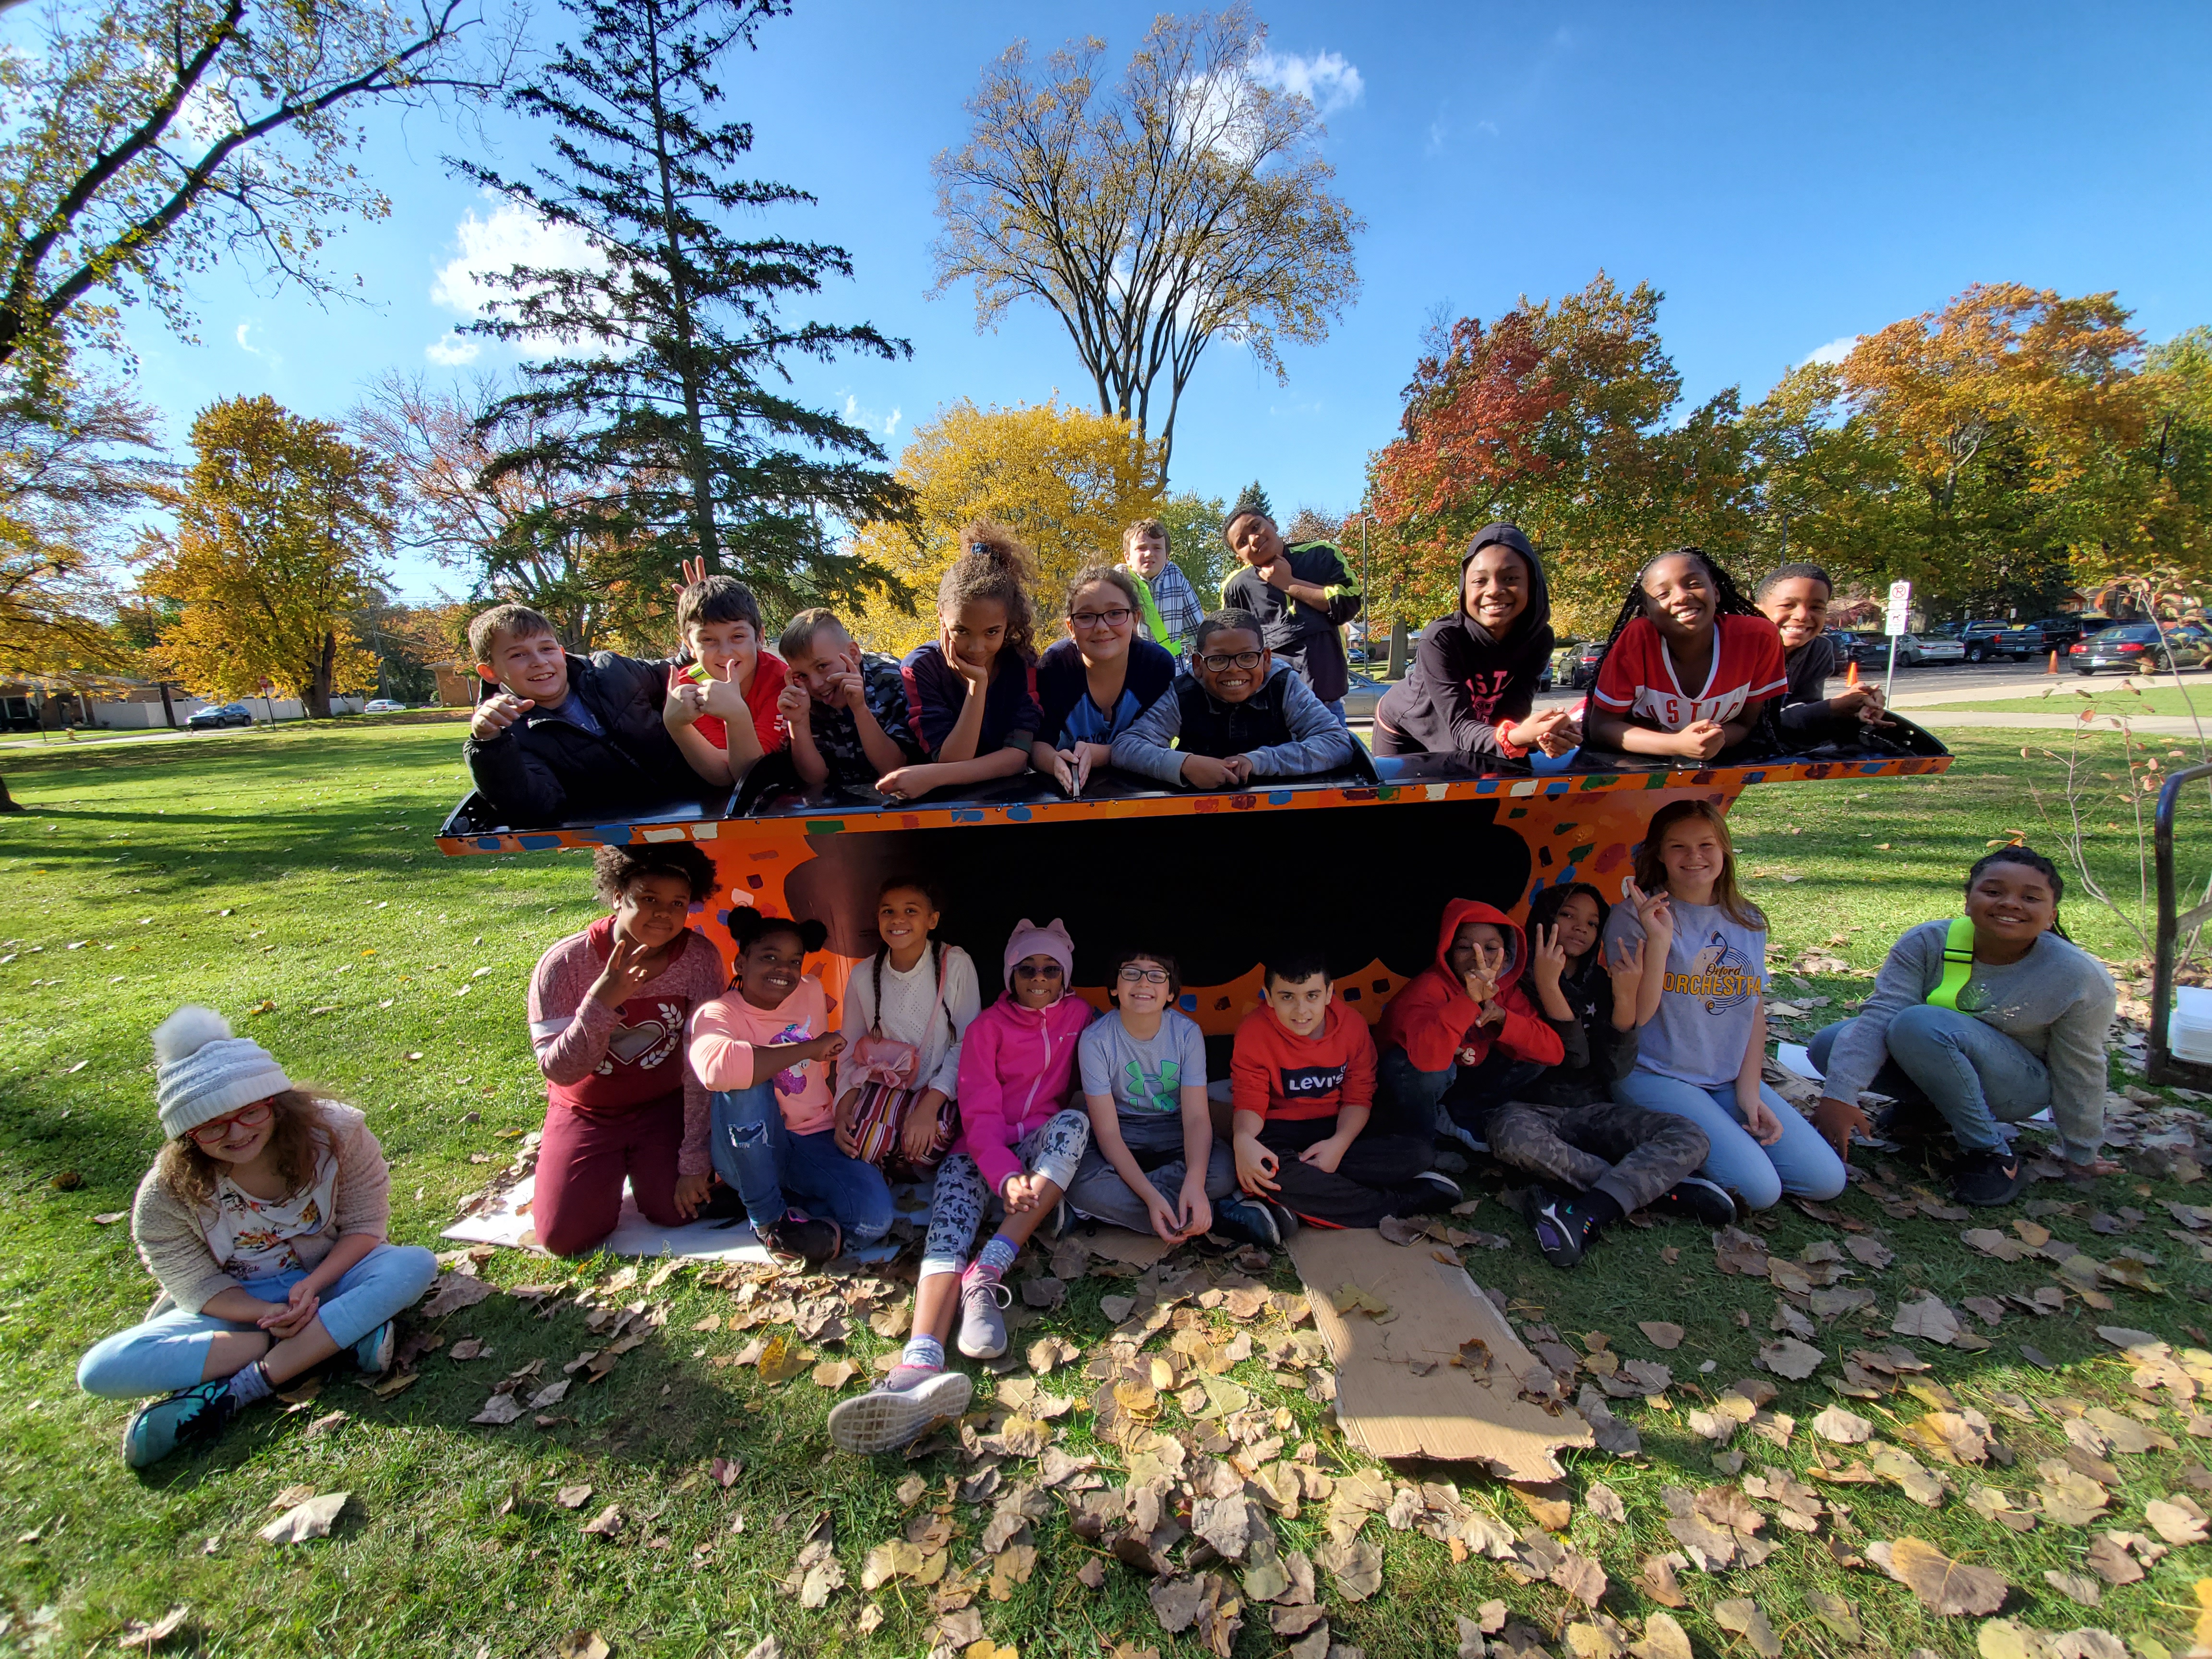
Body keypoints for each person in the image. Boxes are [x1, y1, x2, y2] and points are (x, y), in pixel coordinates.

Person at [80, 1007, 438, 1468]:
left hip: (330, 1279)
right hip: (240, 1313)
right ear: (188, 1136)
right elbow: (193, 1285)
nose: (237, 1132)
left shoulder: (340, 1133)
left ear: (276, 1102)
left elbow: (366, 1227)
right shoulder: (165, 1194)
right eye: (213, 1125)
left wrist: (310, 1288)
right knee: (99, 1369)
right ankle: (337, 1337)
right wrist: (266, 1316)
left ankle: (239, 1390)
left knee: (413, 1265)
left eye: (251, 1112)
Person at [828, 920, 1092, 1455]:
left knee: (1073, 1126)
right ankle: (918, 1362)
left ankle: (987, 1272)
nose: (1038, 979)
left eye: (1050, 969)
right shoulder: (987, 1029)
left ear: (1065, 975)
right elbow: (979, 1113)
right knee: (946, 1230)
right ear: (1010, 974)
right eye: (1026, 969)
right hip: (979, 1151)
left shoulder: (1082, 1017)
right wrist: (1003, 1174)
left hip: (1040, 1145)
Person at [1806, 845, 2121, 1205]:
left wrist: (2082, 1154)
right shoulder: (1926, 943)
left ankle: (1991, 1153)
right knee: (1830, 1044)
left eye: (2030, 898)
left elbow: (2081, 1066)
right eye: (1993, 892)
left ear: (2052, 915)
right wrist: (1839, 1096)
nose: (2011, 904)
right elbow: (1879, 1016)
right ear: (1968, 901)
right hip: (1942, 1053)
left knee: (1919, 1023)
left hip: (2019, 1088)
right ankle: (1931, 1113)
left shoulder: (2078, 975)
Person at [1602, 799, 1847, 1210]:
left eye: (1706, 845)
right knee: (1759, 1190)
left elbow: (1752, 1011)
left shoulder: (1746, 918)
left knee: (1823, 1180)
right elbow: (1638, 1017)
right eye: (1678, 847)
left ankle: (1705, 1146)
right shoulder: (1631, 918)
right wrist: (1660, 941)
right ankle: (1664, 1174)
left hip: (1725, 1079)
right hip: (1655, 1074)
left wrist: (1750, 1093)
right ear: (1659, 855)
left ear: (1725, 850)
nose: (1694, 857)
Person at [1491, 883, 1734, 1267]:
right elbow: (1568, 1057)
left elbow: (1614, 1069)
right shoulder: (1513, 980)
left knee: (1690, 1136)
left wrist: (1624, 1001)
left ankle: (1596, 1205)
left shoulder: (1598, 983)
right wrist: (1548, 986)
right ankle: (1658, 1190)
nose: (1580, 928)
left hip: (1590, 1111)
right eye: (1567, 915)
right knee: (1513, 1139)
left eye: (1592, 921)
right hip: (1528, 1109)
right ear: (1544, 919)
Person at [527, 842, 729, 1256]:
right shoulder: (565, 963)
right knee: (564, 1237)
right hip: (586, 1110)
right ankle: (598, 1167)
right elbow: (560, 1070)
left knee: (677, 1212)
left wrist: (694, 1158)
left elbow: (701, 1066)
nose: (663, 914)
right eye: (649, 899)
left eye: (678, 903)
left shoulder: (698, 959)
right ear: (619, 896)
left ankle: (647, 1165)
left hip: (662, 1106)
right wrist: (601, 1003)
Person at [688, 909, 886, 1268]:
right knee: (746, 1081)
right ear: (740, 963)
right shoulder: (719, 1013)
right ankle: (768, 1220)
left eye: (794, 961)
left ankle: (776, 1203)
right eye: (769, 958)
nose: (784, 970)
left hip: (813, 1137)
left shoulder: (809, 990)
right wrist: (809, 1048)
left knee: (873, 1218)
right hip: (751, 1146)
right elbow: (716, 1069)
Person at [1230, 946, 1462, 1231]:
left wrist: (1338, 1145)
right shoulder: (1253, 1031)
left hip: (1338, 1127)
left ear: (1329, 994)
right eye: (1287, 997)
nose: (1301, 1011)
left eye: (1312, 996)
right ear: (1268, 998)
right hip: (1281, 1133)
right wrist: (1242, 1139)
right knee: (1264, 1172)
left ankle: (1299, 1200)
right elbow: (1249, 1102)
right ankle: (1400, 1202)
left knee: (1417, 1154)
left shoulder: (1352, 1026)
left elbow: (1359, 1096)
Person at [1062, 947, 1280, 1246]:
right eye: (1131, 974)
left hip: (1173, 1127)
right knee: (1080, 1183)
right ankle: (1213, 1214)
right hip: (1122, 1128)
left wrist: (1194, 1181)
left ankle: (1100, 1212)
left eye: (1156, 976)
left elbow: (1195, 1118)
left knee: (1223, 1170)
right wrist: (1152, 1198)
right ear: (1114, 986)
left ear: (1170, 992)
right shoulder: (1096, 1039)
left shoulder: (1187, 1034)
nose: (1143, 984)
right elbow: (1109, 1133)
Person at [465, 602, 714, 823]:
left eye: (547, 649)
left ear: (562, 654)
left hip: (709, 802)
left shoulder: (611, 671)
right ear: (490, 672)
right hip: (628, 831)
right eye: (519, 654)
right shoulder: (510, 735)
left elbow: (676, 671)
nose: (539, 661)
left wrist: (701, 619)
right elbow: (534, 807)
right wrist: (487, 743)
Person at [1372, 523, 1578, 766]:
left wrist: (1545, 735)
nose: (1494, 590)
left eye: (1510, 578)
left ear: (1532, 585)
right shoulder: (1441, 639)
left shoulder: (1540, 640)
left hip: (1469, 731)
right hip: (1406, 730)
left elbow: (1511, 717)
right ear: (1464, 588)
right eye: (1480, 581)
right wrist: (1517, 737)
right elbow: (1460, 728)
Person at [1373, 899, 1565, 1148]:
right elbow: (1426, 1059)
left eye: (1491, 948)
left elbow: (1554, 1052)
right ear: (1448, 952)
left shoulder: (1505, 990)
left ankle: (1460, 1116)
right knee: (1436, 1070)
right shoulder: (1429, 988)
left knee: (1529, 1050)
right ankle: (1416, 1142)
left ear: (1507, 957)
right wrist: (1469, 1000)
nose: (1479, 958)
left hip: (1458, 1080)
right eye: (1465, 948)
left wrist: (1503, 1019)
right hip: (1401, 1084)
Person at [833, 877, 983, 1182]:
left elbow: (967, 1044)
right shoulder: (863, 974)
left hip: (938, 1085)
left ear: (932, 920)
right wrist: (842, 1113)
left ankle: (905, 1156)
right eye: (888, 911)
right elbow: (848, 1051)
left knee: (928, 1143)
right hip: (886, 1084)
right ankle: (888, 1155)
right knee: (859, 1142)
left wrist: (929, 1108)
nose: (898, 919)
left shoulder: (954, 964)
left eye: (911, 911)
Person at [1109, 609, 1359, 789]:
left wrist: (1258, 761)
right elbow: (1127, 747)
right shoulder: (1183, 693)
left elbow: (1337, 743)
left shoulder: (1285, 685)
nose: (1234, 670)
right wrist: (1184, 764)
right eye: (1218, 660)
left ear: (1266, 658)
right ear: (1198, 664)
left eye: (1248, 657)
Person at [887, 524, 1046, 802]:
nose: (976, 648)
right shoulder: (920, 668)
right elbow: (951, 758)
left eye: (992, 632)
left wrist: (932, 776)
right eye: (961, 631)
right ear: (941, 617)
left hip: (1009, 802)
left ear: (1009, 622)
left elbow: (1017, 759)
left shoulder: (1022, 663)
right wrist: (977, 685)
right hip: (943, 809)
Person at [1584, 550, 1788, 763]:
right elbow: (1602, 728)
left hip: (1716, 759)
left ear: (1716, 593)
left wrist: (1709, 742)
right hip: (1637, 760)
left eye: (1694, 583)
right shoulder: (1637, 640)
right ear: (1647, 611)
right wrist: (1677, 745)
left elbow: (1746, 724)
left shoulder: (1758, 638)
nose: (1681, 596)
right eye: (1663, 594)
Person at [1031, 565, 1178, 794]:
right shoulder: (1056, 666)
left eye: (1115, 614)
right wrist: (1054, 762)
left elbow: (1157, 747)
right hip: (1069, 795)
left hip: (1142, 792)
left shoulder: (1157, 666)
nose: (1101, 627)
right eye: (1086, 617)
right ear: (1071, 627)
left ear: (1135, 619)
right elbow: (1038, 744)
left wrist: (1102, 755)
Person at [1220, 505, 1364, 721]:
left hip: (1328, 705)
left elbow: (1350, 602)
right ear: (1240, 557)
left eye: (1256, 527)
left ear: (1273, 523)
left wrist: (1289, 584)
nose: (1253, 539)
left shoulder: (1321, 554)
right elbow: (1232, 647)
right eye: (1242, 542)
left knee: (1339, 755)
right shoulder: (1236, 587)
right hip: (1271, 713)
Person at [774, 609, 924, 793]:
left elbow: (893, 770)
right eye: (802, 675)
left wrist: (860, 710)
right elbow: (814, 780)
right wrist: (798, 724)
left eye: (822, 666)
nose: (816, 684)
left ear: (853, 654)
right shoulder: (803, 695)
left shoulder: (892, 679)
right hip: (840, 807)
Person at [661, 571, 787, 788]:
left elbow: (752, 776)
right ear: (690, 646)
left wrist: (736, 715)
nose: (726, 652)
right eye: (708, 639)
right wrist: (676, 726)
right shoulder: (686, 688)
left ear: (760, 638)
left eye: (738, 637)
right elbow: (723, 775)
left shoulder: (779, 680)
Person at [1754, 563, 1889, 740]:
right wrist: (1831, 708)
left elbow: (1801, 717)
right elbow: (1752, 725)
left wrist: (1854, 704)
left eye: (1816, 608)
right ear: (1757, 610)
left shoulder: (1819, 650)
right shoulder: (1733, 651)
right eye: (1787, 605)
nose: (1803, 616)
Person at [1123, 517, 1205, 663]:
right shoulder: (1118, 584)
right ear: (1128, 558)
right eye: (1142, 548)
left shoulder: (1177, 581)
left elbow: (1201, 636)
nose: (1149, 554)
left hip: (1173, 672)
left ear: (1167, 556)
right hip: (1130, 672)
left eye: (1157, 548)